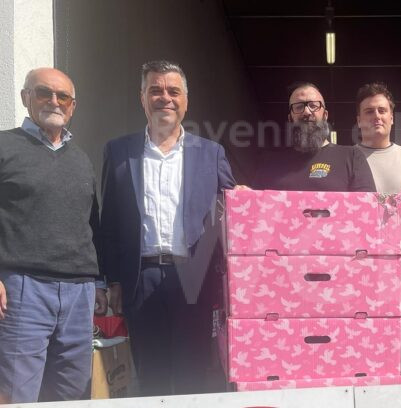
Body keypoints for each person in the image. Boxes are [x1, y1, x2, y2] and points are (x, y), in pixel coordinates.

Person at [100, 60, 236, 396]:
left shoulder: (211, 153)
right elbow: (110, 220)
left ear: (186, 100)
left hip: (195, 279)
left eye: (174, 91)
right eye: (155, 90)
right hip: (140, 280)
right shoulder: (119, 152)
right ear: (142, 98)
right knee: (150, 378)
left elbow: (233, 214)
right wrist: (110, 279)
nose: (165, 98)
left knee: (193, 376)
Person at [0, 68, 105, 403]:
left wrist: (100, 283)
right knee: (16, 394)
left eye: (64, 96)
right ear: (25, 97)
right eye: (44, 93)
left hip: (79, 293)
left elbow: (91, 225)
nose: (54, 102)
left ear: (73, 106)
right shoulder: (4, 146)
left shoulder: (82, 160)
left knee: (72, 395)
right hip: (23, 290)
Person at [253, 82, 376, 192]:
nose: (306, 111)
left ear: (325, 115)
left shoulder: (352, 157)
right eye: (299, 107)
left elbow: (367, 206)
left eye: (313, 105)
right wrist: (245, 194)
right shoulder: (271, 163)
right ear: (290, 118)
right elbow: (254, 205)